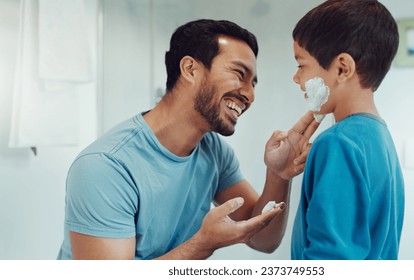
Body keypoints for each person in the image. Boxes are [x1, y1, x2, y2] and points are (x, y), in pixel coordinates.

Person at [57, 19, 320, 260]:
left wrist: (278, 175)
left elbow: (263, 239)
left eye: (253, 84)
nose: (249, 95)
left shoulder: (214, 152)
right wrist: (202, 244)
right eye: (240, 74)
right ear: (190, 69)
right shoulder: (105, 167)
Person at [290, 0, 405, 259]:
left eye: (301, 65)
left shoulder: (337, 143)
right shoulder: (380, 137)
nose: (296, 78)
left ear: (342, 68)